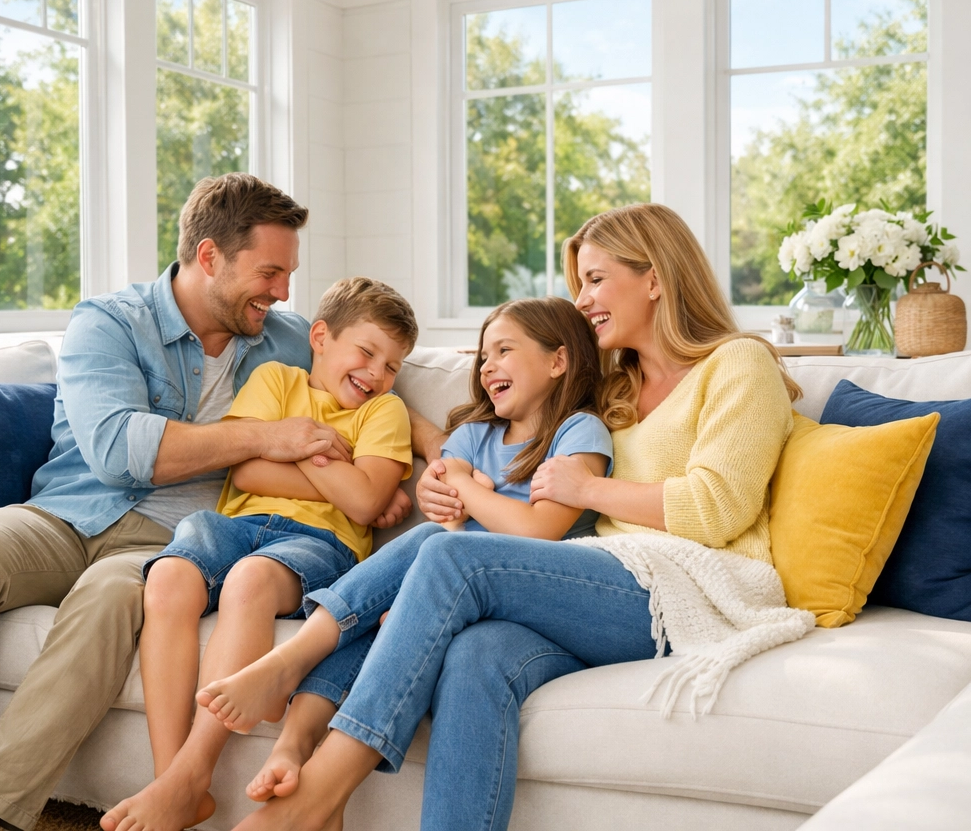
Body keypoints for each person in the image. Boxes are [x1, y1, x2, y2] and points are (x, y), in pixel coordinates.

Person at [204, 202, 815, 831]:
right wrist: (440, 463)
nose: (582, 301)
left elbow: (717, 508)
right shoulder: (615, 392)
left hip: (686, 587)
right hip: (593, 583)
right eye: (580, 285)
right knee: (477, 656)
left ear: (656, 277)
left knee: (449, 555)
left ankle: (316, 792)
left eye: (596, 280)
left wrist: (590, 491)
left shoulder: (738, 362)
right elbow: (498, 424)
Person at [0, 174, 412, 831]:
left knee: (111, 599)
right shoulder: (110, 322)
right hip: (64, 513)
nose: (282, 293)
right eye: (271, 272)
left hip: (164, 536)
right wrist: (264, 435)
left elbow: (368, 380)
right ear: (209, 257)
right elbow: (115, 449)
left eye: (288, 276)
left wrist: (422, 454)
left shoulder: (281, 337)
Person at [182, 297, 613, 821]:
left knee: (435, 545)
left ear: (558, 361)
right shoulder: (474, 435)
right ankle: (294, 746)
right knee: (386, 615)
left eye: (504, 350)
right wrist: (451, 497)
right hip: (458, 591)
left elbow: (535, 531)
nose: (487, 365)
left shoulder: (579, 432)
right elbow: (450, 519)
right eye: (482, 356)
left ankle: (285, 666)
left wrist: (458, 485)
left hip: (528, 592)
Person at [99, 277, 419, 831]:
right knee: (168, 579)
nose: (377, 373)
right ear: (320, 336)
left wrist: (297, 446)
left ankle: (193, 772)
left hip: (320, 543)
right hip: (233, 523)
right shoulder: (276, 379)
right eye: (367, 352)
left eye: (392, 365)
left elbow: (366, 504)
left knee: (249, 580)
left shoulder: (383, 413)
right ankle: (170, 780)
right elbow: (245, 467)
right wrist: (328, 462)